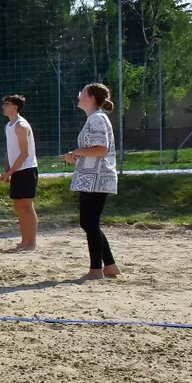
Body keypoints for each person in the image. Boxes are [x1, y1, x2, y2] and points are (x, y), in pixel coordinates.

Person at [62, 83, 121, 281]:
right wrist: (75, 155)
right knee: (89, 223)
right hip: (92, 178)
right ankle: (110, 266)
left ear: (92, 97)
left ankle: (96, 269)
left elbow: (100, 149)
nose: (79, 95)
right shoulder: (95, 118)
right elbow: (95, 149)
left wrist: (76, 152)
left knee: (89, 223)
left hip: (97, 178)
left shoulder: (96, 119)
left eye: (83, 93)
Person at [0, 95, 39, 251]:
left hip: (27, 170)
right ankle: (24, 241)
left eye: (6, 104)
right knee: (18, 205)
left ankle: (32, 243)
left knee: (27, 206)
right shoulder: (9, 125)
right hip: (16, 170)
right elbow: (10, 151)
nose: (3, 106)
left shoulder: (21, 126)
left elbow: (24, 154)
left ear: (15, 107)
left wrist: (10, 173)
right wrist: (7, 170)